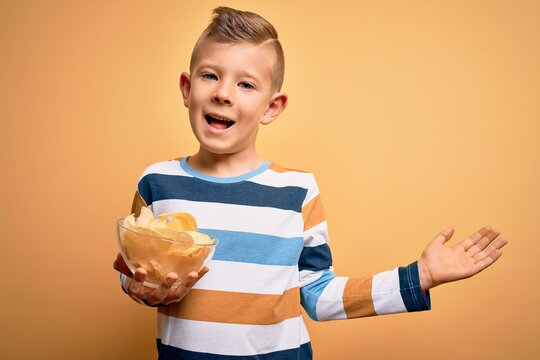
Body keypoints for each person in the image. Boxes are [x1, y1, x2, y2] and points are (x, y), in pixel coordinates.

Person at [113, 6, 508, 359]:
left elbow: (318, 295)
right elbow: (134, 271)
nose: (222, 94)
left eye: (245, 84)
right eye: (210, 76)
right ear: (187, 88)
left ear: (272, 106)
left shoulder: (298, 191)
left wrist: (419, 277)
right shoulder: (156, 183)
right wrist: (139, 289)